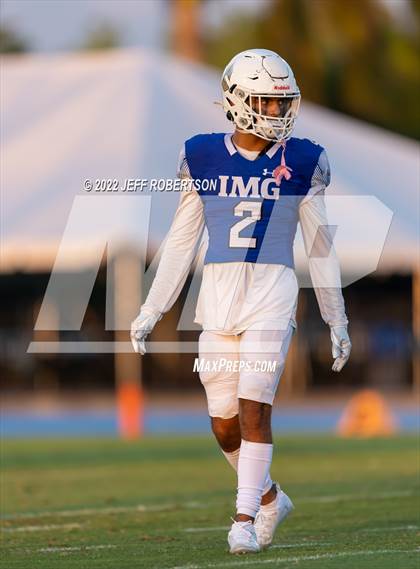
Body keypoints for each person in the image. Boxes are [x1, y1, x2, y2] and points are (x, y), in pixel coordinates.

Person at [131, 48, 351, 554]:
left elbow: (320, 247)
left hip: (272, 296)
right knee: (224, 424)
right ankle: (270, 498)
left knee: (255, 406)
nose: (277, 112)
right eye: (266, 102)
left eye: (281, 102)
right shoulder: (201, 155)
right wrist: (152, 307)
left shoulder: (304, 161)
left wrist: (335, 317)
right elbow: (181, 240)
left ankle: (244, 520)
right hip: (217, 299)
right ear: (237, 100)